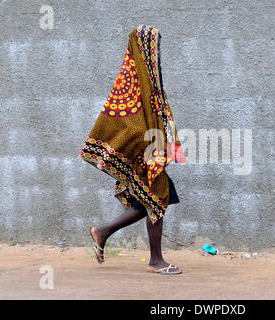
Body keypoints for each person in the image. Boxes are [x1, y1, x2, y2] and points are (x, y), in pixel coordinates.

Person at [78, 25, 186, 275]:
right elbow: (125, 121)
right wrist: (148, 149)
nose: (157, 52)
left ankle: (102, 232)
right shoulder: (133, 81)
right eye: (154, 47)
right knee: (157, 197)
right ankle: (155, 261)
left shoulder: (149, 83)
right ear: (143, 49)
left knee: (153, 199)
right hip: (144, 154)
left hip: (150, 151)